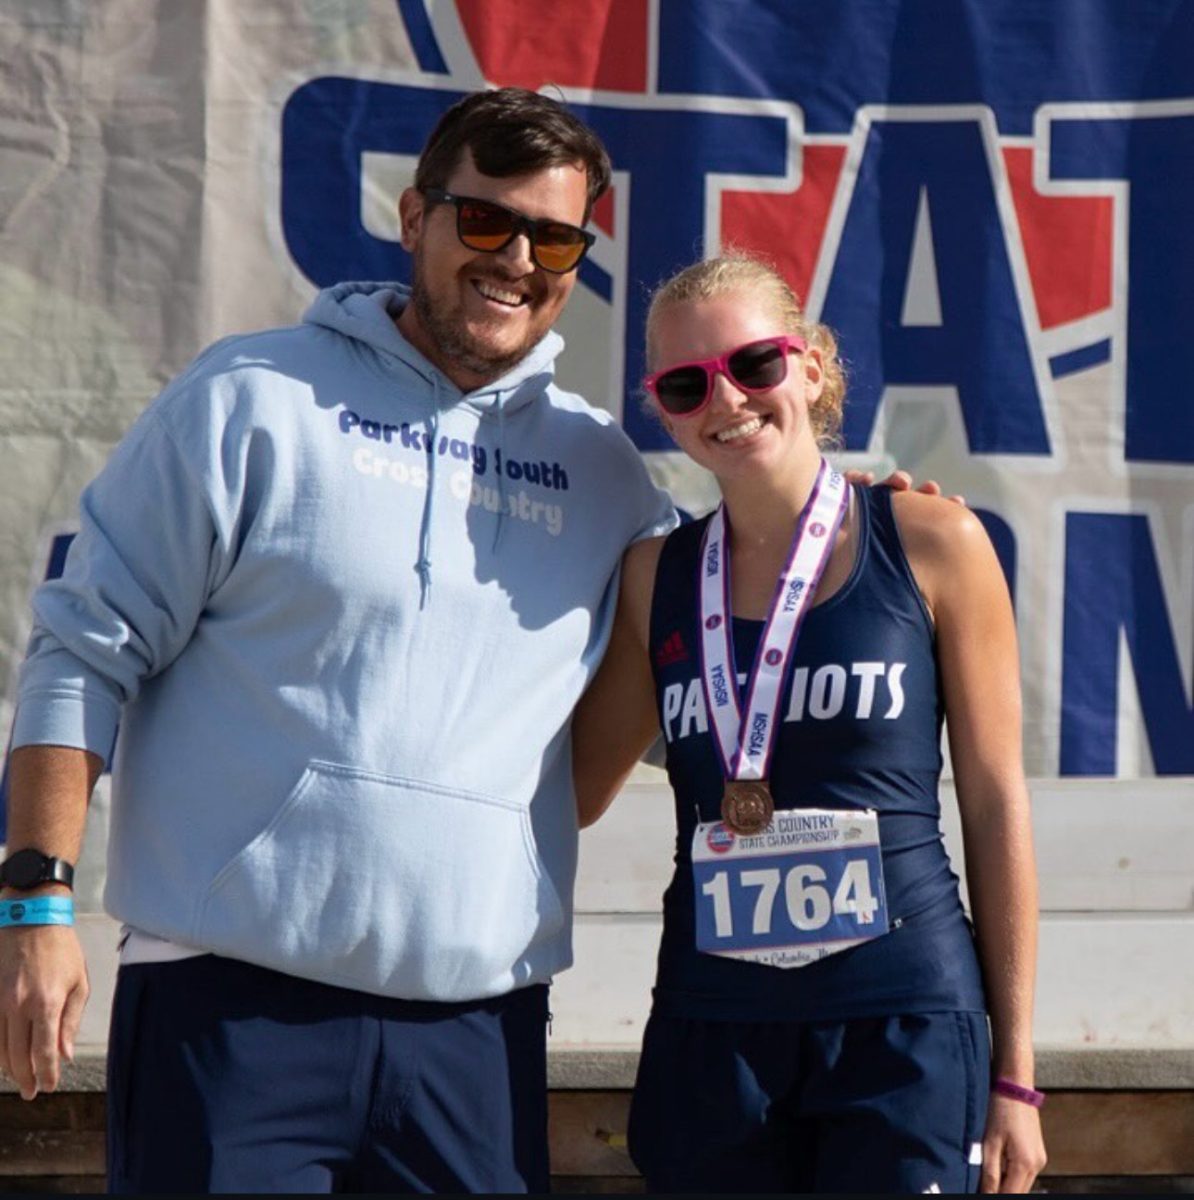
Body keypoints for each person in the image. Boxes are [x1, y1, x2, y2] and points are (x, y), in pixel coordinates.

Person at [0, 87, 678, 1193]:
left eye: (554, 237)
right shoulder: (251, 397)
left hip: (478, 1030)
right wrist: (33, 904)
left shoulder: (605, 473)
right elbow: (81, 651)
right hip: (231, 1007)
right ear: (413, 219)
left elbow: (708, 622)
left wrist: (885, 527)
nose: (517, 260)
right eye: (486, 222)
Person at [573, 254, 1047, 1194]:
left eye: (754, 365)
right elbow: (577, 793)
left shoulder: (932, 541)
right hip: (714, 1030)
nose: (728, 399)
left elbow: (996, 807)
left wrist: (1017, 1076)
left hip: (901, 1018)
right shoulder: (652, 580)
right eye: (685, 383)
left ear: (814, 365)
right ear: (660, 409)